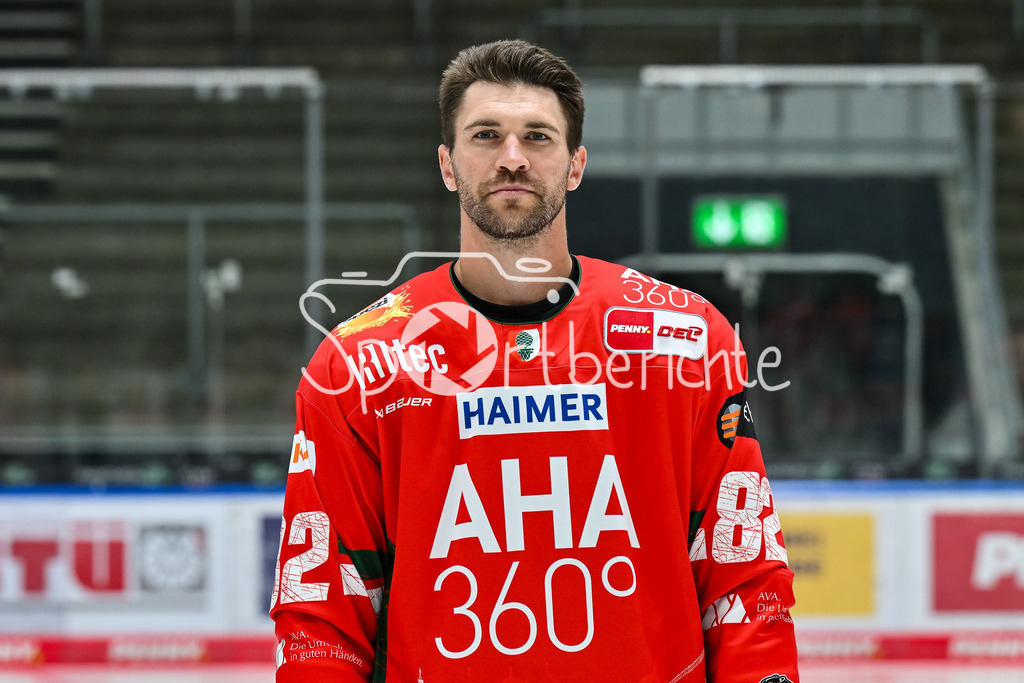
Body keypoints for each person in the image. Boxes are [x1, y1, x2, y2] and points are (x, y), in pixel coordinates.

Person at [271, 39, 799, 682]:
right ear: (447, 164)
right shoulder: (357, 364)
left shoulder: (684, 338)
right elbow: (322, 614)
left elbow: (744, 577)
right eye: (486, 135)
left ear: (576, 165)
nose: (512, 158)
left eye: (538, 137)